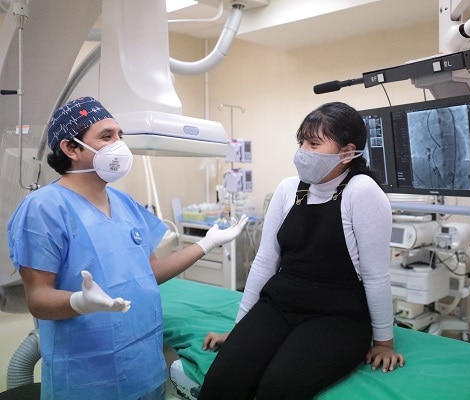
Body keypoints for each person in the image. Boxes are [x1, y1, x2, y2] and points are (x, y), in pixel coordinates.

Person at [6, 96, 248, 400]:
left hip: (144, 367)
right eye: (106, 136)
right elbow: (38, 298)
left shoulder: (125, 204)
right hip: (87, 377)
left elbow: (150, 271)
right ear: (71, 148)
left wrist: (206, 243)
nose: (119, 144)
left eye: (120, 135)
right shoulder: (43, 208)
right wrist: (80, 302)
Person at [198, 101, 403, 400]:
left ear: (347, 152)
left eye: (314, 144)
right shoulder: (288, 189)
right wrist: (240, 330)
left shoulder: (362, 191)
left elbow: (375, 275)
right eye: (301, 142)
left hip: (338, 316)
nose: (303, 151)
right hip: (279, 305)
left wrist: (384, 342)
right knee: (222, 382)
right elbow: (265, 260)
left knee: (277, 389)